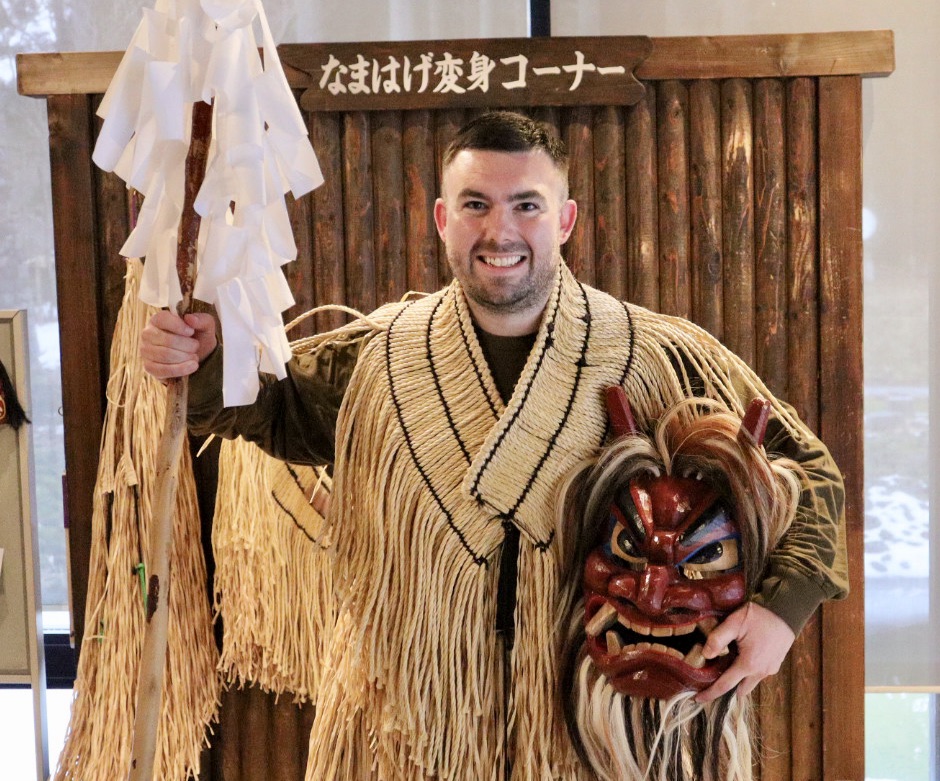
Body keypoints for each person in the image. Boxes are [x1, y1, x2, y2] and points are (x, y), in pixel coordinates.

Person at [141, 111, 847, 779]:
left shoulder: (656, 354)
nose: (500, 229)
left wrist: (782, 611)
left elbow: (808, 468)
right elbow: (276, 413)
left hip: (591, 733)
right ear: (443, 219)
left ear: (565, 219)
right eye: (475, 204)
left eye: (527, 205)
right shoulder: (378, 355)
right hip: (410, 728)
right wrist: (206, 364)